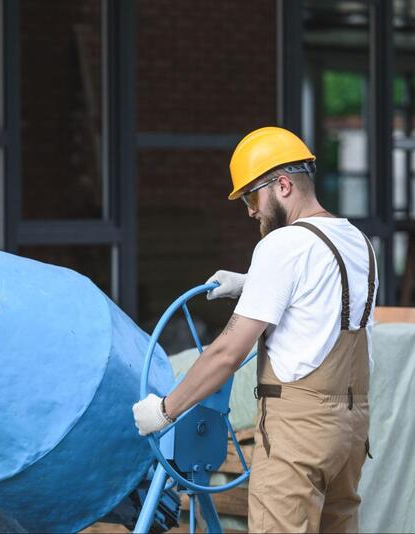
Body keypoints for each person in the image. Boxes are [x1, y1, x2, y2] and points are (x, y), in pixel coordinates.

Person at [132, 126, 378, 533]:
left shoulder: (282, 246)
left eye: (251, 196)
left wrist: (164, 410)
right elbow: (323, 300)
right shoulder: (357, 241)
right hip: (350, 429)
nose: (249, 211)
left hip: (299, 432)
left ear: (282, 185)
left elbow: (228, 352)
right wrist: (251, 283)